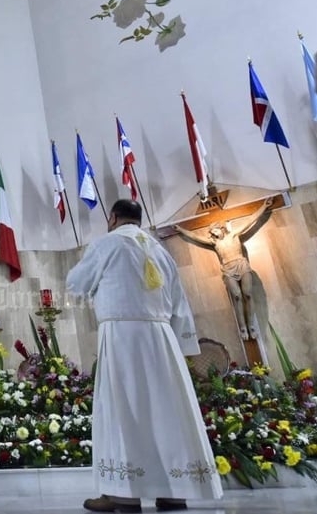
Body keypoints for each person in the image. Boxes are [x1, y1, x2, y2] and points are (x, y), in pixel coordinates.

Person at [66, 200, 222, 512]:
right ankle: (174, 489)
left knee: (123, 409)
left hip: (123, 339)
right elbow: (180, 305)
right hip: (162, 340)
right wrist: (183, 350)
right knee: (168, 412)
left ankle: (123, 492)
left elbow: (75, 284)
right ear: (139, 220)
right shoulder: (162, 252)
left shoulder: (106, 245)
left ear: (112, 219)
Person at [174, 198, 273, 340]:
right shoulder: (214, 243)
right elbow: (195, 236)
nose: (212, 233)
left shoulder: (233, 235)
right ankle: (243, 327)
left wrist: (264, 206)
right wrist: (181, 229)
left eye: (214, 230)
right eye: (211, 232)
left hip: (241, 265)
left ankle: (251, 324)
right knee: (237, 296)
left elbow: (250, 220)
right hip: (228, 269)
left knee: (248, 294)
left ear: (221, 228)